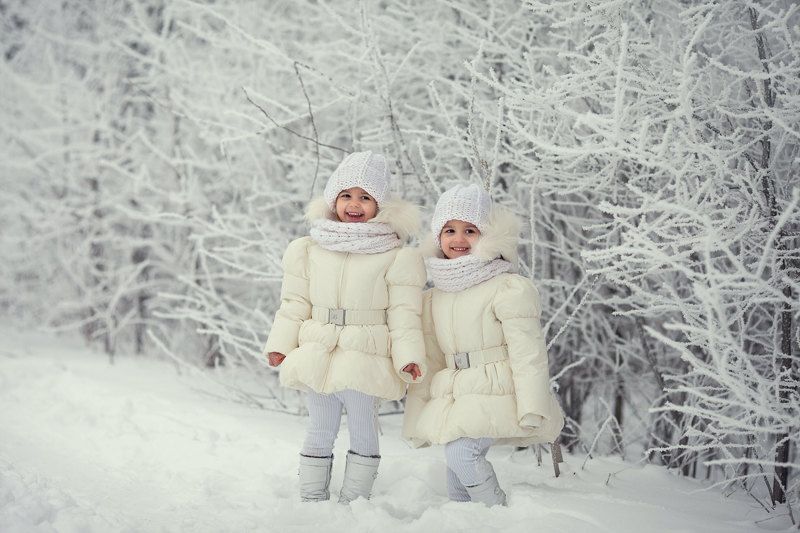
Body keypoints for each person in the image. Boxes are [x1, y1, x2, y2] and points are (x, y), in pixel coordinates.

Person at [264, 151, 426, 503]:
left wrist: (408, 357)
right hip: (318, 349)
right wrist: (280, 344)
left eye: (365, 197)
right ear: (333, 199)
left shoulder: (395, 255)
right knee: (319, 425)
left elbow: (404, 315)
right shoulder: (308, 249)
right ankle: (311, 498)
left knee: (363, 426)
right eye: (346, 195)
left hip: (364, 353)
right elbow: (294, 304)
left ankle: (354, 503)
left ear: (379, 205)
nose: (354, 204)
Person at [402, 183, 564, 506]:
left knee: (463, 454)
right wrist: (416, 413)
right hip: (456, 390)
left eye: (470, 230)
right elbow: (432, 359)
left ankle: (497, 515)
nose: (458, 240)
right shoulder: (435, 295)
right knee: (455, 467)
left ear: (487, 235)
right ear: (437, 236)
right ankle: (466, 521)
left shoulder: (507, 287)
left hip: (497, 385)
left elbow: (528, 352)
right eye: (449, 230)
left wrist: (533, 404)